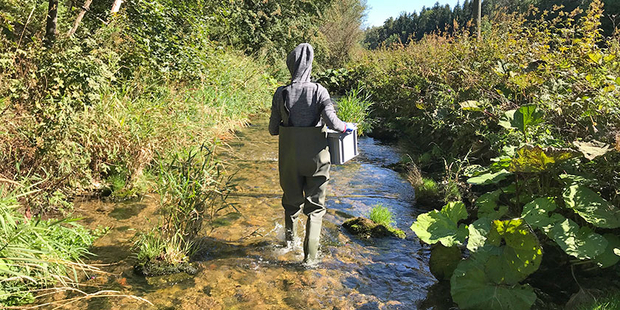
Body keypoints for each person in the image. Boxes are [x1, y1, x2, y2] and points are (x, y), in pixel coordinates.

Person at [269, 43, 351, 264]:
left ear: (291, 64)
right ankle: (310, 261)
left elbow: (272, 130)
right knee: (315, 209)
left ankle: (288, 244)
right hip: (316, 158)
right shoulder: (319, 91)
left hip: (290, 159)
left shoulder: (281, 93)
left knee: (291, 203)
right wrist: (346, 127)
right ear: (310, 64)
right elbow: (333, 123)